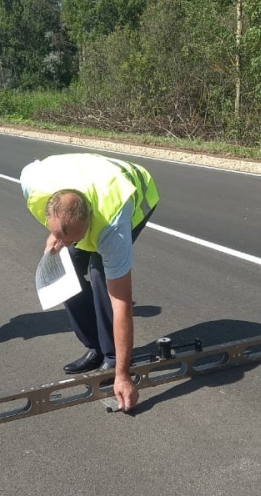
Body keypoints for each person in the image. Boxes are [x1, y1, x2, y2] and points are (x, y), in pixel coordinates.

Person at [20, 153, 159, 412]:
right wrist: (56, 236)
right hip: (90, 180)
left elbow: (122, 305)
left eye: (75, 236)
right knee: (66, 266)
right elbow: (63, 225)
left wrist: (123, 375)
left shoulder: (111, 221)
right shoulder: (34, 183)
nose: (69, 242)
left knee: (99, 272)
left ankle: (113, 357)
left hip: (136, 190)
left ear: (90, 218)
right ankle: (95, 347)